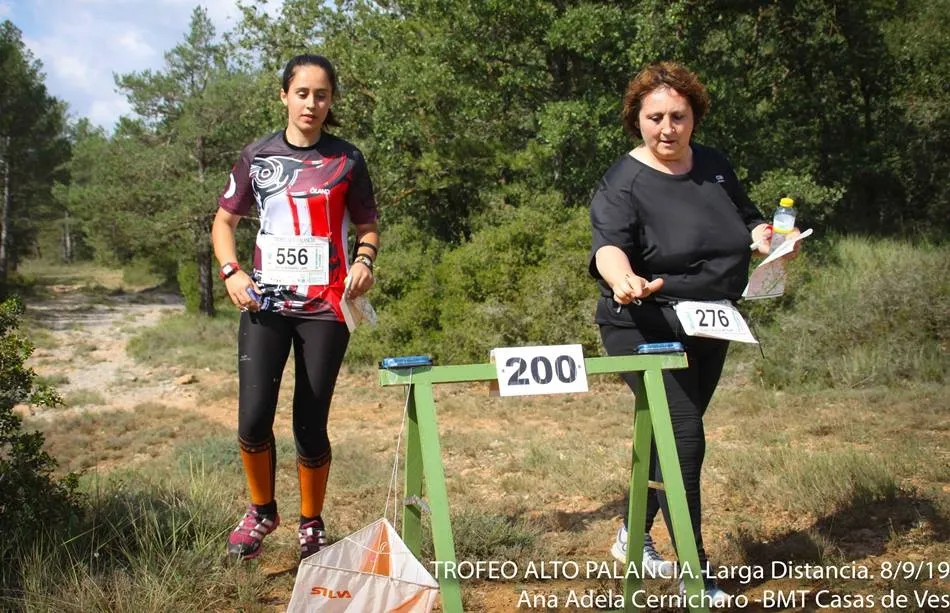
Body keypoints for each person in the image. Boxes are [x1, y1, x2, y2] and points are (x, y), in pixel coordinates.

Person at [589, 61, 799, 605]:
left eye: (678, 117)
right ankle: (695, 574)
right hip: (645, 323)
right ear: (636, 119)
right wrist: (623, 279)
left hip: (710, 321)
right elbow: (608, 247)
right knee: (685, 435)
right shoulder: (623, 181)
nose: (667, 128)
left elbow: (746, 219)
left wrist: (767, 238)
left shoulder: (714, 165)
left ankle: (630, 537)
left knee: (669, 438)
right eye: (655, 117)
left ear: (694, 118)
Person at [211, 53, 379, 562]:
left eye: (321, 95)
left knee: (310, 422)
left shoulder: (347, 160)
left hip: (326, 308)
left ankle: (311, 523)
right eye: (302, 93)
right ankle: (262, 511)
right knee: (252, 419)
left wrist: (364, 260)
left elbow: (368, 226)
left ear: (331, 101)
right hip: (265, 303)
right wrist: (232, 272)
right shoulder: (258, 155)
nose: (311, 103)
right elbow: (224, 222)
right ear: (284, 95)